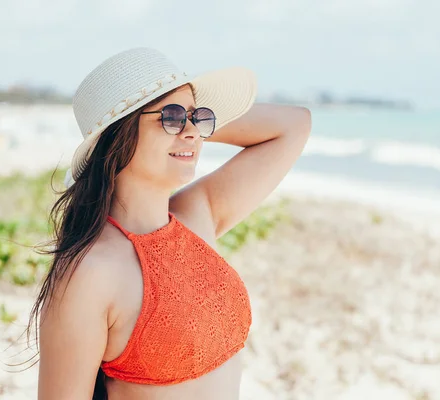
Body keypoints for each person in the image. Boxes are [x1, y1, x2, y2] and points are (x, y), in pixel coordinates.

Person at [29, 47, 311, 400]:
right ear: (117, 136)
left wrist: (185, 124)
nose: (193, 132)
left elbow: (294, 124)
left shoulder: (197, 216)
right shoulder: (89, 274)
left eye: (197, 117)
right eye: (172, 117)